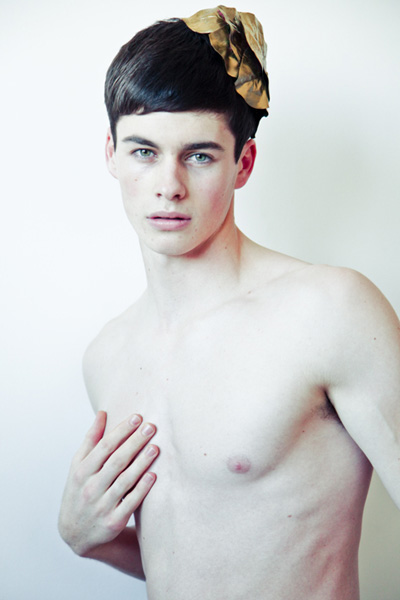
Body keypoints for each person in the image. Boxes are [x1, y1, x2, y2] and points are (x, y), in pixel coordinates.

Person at [58, 6, 400, 599]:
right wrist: (84, 537)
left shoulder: (330, 311)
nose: (169, 186)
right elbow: (201, 553)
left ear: (243, 163)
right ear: (110, 153)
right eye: (144, 151)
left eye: (199, 155)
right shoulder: (106, 356)